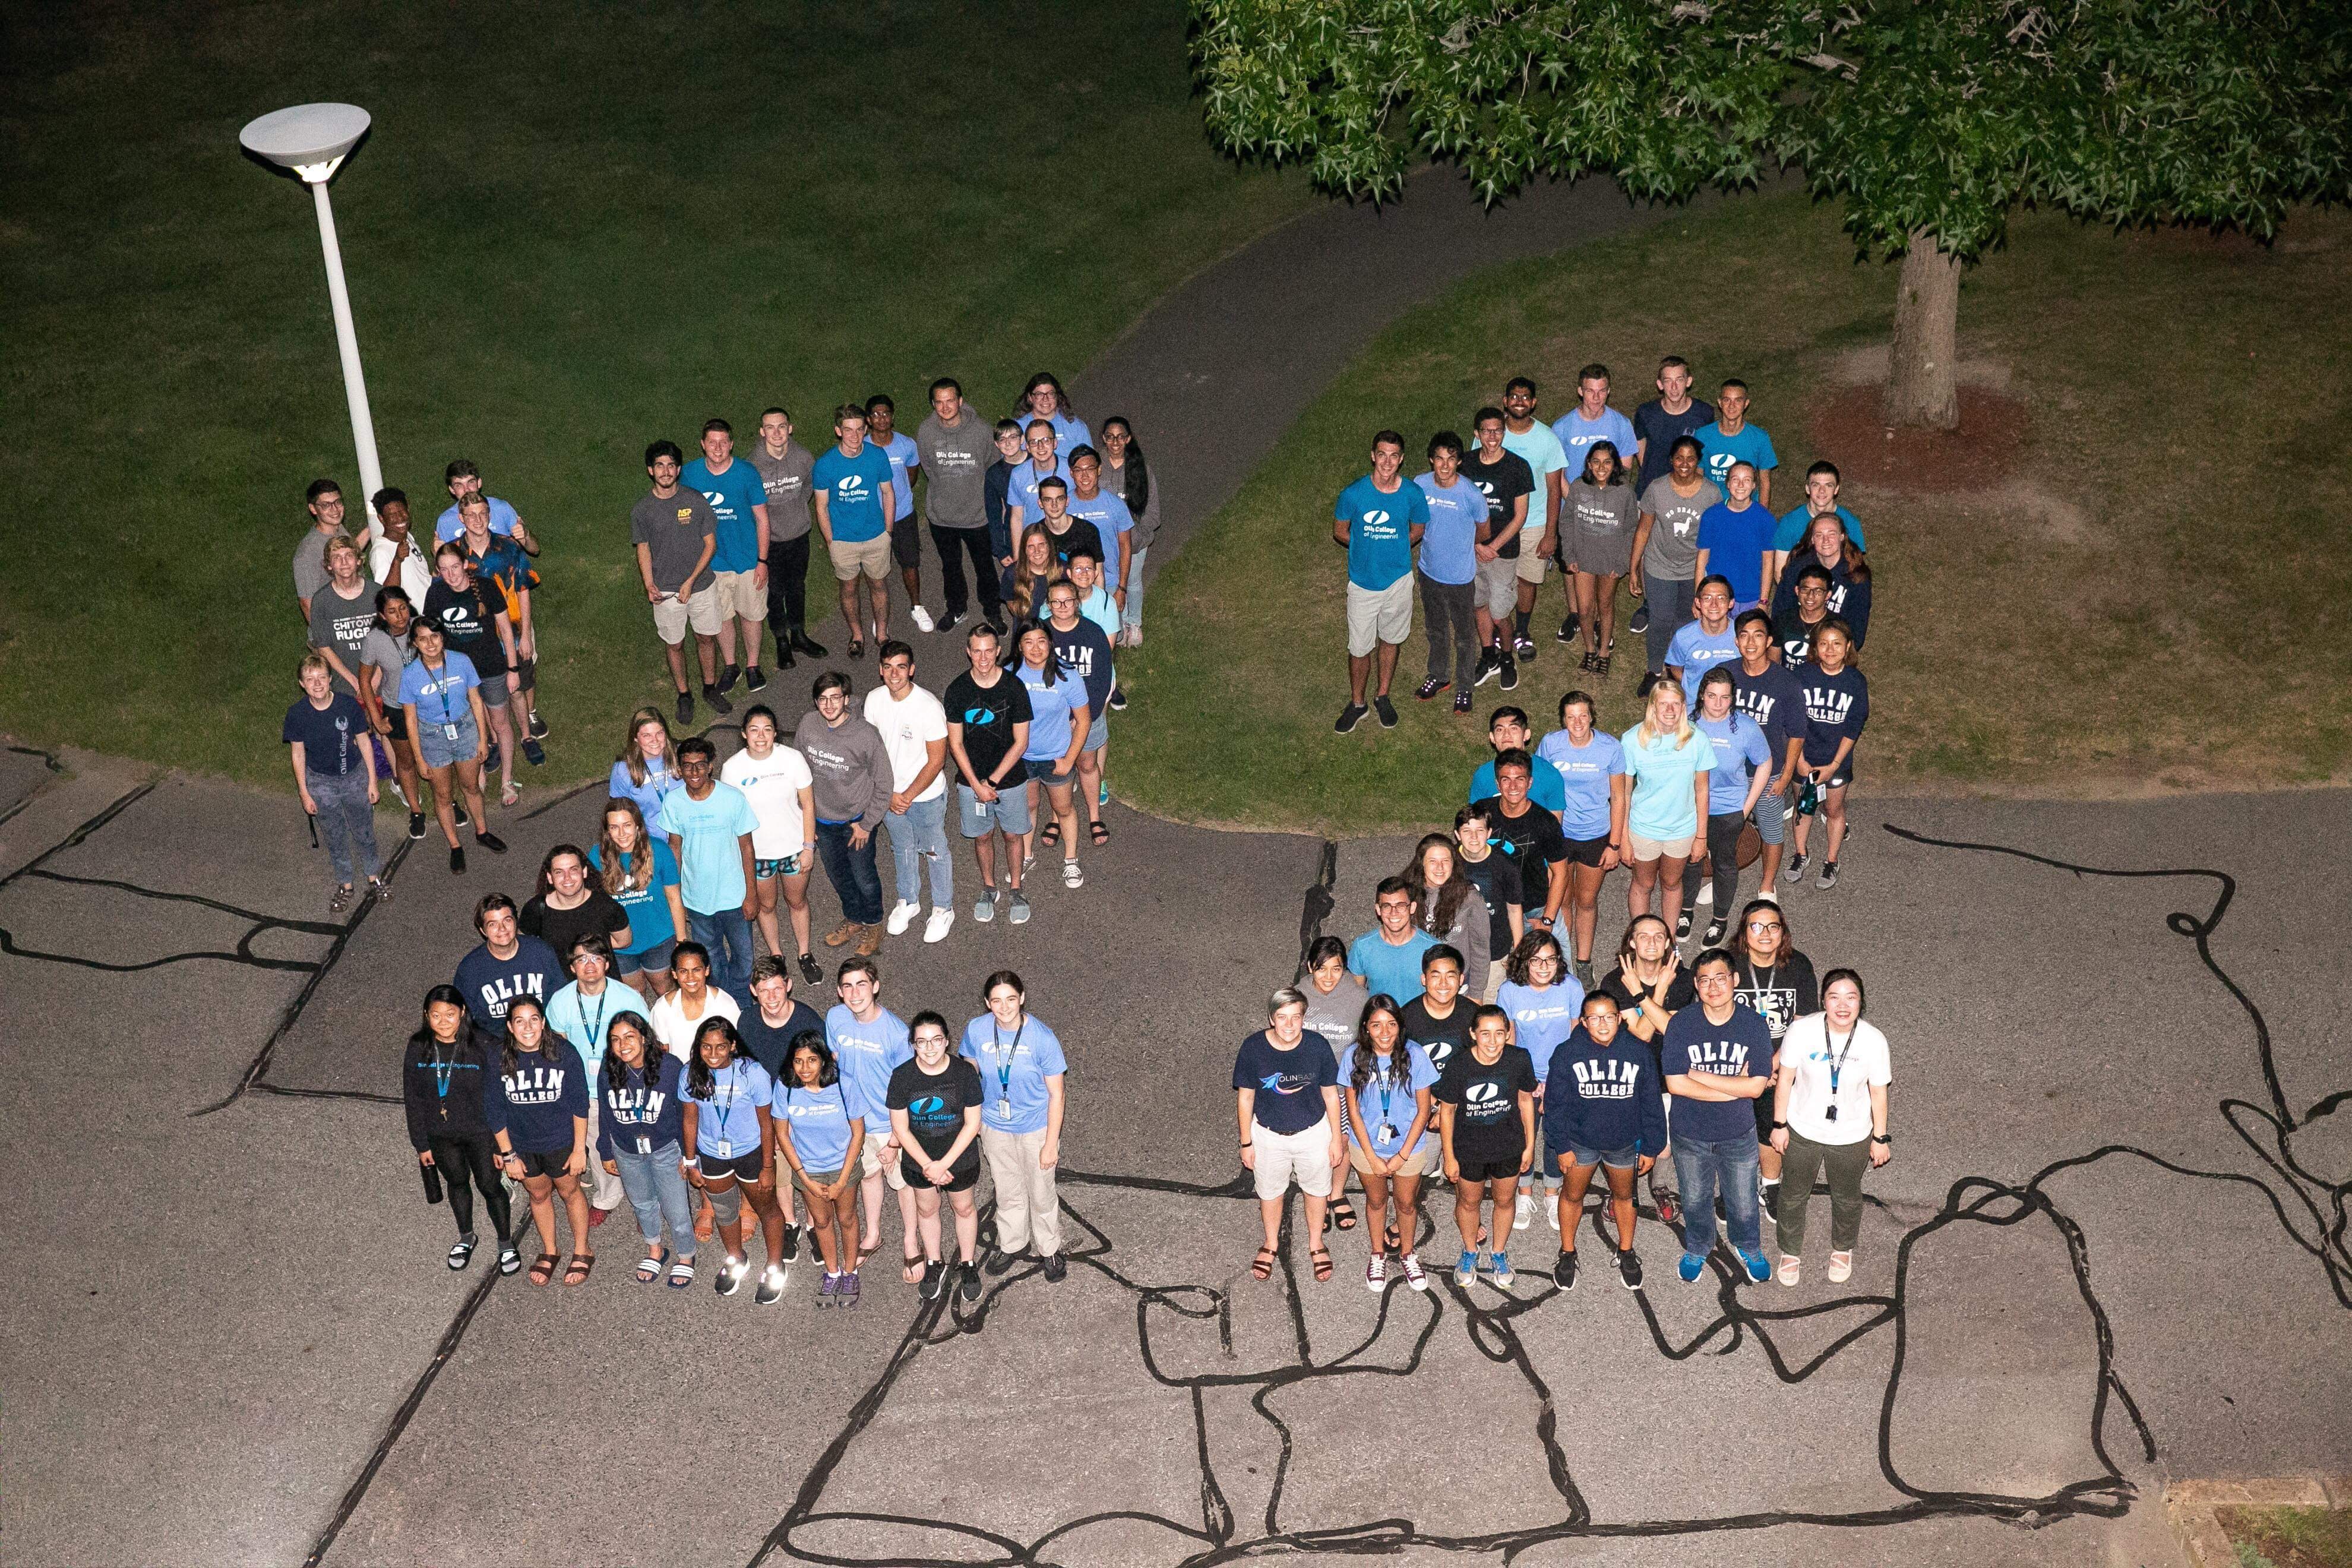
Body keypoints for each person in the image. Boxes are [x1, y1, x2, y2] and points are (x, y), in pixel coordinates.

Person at [1769, 969, 1891, 1285]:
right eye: (1834, 997)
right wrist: (1779, 1124)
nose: (1842, 1005)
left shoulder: (1873, 1040)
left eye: (1851, 998)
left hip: (1852, 1134)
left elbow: (1879, 1090)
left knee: (1847, 1195)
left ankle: (1843, 1248)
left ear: (1861, 1002)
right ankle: (1790, 1251)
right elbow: (1785, 1078)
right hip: (1802, 1128)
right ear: (1823, 1000)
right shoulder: (1802, 1030)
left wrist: (1880, 1137)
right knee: (1793, 1193)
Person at [1662, 949, 1776, 1285]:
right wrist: (1734, 1087)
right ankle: (1698, 1245)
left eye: (1720, 978)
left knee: (1742, 1202)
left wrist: (1699, 1074)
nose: (1713, 987)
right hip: (1689, 1132)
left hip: (1737, 1131)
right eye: (1705, 980)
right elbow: (1675, 1084)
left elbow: (1756, 1087)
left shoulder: (1753, 1024)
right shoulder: (1682, 1023)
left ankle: (1749, 1246)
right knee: (1695, 1198)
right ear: (1696, 986)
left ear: (1735, 980)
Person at [1539, 991, 1664, 1291]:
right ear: (1583, 1022)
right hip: (1580, 1141)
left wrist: (1651, 1146)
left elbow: (1651, 1101)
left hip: (1623, 1141)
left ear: (1620, 1018)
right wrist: (1561, 1145)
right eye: (1594, 1018)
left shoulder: (1639, 1052)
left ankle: (1626, 1251)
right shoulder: (1567, 1053)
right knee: (1572, 1195)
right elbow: (1554, 1104)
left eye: (1609, 1016)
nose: (1603, 1023)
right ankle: (1567, 1252)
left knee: (1625, 1196)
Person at [403, 986, 519, 1275]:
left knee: (490, 1186)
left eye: (450, 1015)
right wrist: (421, 1144)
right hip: (440, 1135)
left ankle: (506, 1243)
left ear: (463, 1013)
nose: (443, 1022)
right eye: (436, 1015)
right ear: (426, 1016)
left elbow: (497, 1096)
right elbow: (413, 1097)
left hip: (481, 1134)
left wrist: (498, 1146)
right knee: (457, 1183)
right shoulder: (418, 1046)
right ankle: (467, 1237)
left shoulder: (483, 1044)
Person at [962, 971, 1068, 1281]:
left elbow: (1057, 1094)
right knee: (1007, 1190)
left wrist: (1051, 1143)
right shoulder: (977, 1030)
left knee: (1041, 1193)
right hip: (994, 1127)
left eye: (1011, 999)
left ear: (1021, 998)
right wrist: (976, 1114)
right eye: (996, 1001)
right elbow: (969, 1062)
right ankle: (1012, 1244)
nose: (1004, 1007)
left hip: (1035, 1128)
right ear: (987, 1003)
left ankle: (1050, 1249)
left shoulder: (1042, 1038)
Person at [1235, 987, 1346, 1284]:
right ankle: (1271, 1243)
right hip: (1268, 1136)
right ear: (1271, 1018)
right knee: (1271, 1193)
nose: (1289, 1024)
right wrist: (1246, 1142)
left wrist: (1336, 1138)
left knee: (1317, 1189)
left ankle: (1316, 1244)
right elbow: (1245, 1098)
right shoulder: (1253, 1048)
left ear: (1303, 1019)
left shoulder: (1317, 1046)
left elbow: (1331, 1095)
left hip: (1313, 1133)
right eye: (1282, 1017)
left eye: (1295, 1017)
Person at [485, 998, 595, 1288]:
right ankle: (550, 1250)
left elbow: (579, 1103)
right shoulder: (498, 1057)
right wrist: (508, 1155)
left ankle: (583, 1249)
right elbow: (494, 1110)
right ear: (509, 1026)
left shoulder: (564, 1053)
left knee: (570, 1192)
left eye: (534, 1019)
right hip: (523, 1145)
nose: (528, 1027)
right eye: (519, 1021)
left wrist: (578, 1148)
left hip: (560, 1141)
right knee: (538, 1195)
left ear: (543, 1022)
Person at [680, 1017, 791, 1304]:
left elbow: (766, 1123)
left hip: (751, 1153)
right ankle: (737, 1258)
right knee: (725, 1211)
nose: (713, 1054)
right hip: (712, 1154)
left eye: (720, 1047)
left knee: (767, 1209)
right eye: (706, 1047)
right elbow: (690, 1119)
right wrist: (691, 1162)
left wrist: (768, 1166)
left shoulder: (752, 1073)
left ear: (732, 1046)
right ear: (698, 1048)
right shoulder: (690, 1074)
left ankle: (775, 1267)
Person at [1595, 914, 1696, 1221]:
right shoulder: (1615, 981)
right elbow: (1640, 1035)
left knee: (1662, 1145)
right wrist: (1657, 995)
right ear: (1631, 942)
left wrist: (1646, 993)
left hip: (1668, 1070)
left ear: (1668, 943)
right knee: (1621, 1136)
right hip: (1626, 1068)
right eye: (1644, 936)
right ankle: (1620, 1189)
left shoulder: (1681, 978)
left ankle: (1661, 1186)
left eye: (1658, 936)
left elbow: (1669, 1029)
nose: (1651, 942)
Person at [826, 956, 915, 1289]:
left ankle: (910, 1241)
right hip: (856, 1122)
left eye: (862, 984)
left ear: (875, 987)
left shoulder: (895, 1032)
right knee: (869, 1176)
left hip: (889, 1122)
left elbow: (907, 1087)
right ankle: (873, 1234)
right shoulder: (835, 1018)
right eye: (847, 986)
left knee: (903, 1183)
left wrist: (895, 1140)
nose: (855, 993)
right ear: (839, 992)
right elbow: (835, 1065)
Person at [545, 931, 646, 1225]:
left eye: (596, 958)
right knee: (595, 1141)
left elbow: (646, 1042)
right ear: (572, 966)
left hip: (624, 1085)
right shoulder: (560, 1002)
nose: (589, 965)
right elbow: (557, 1049)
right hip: (584, 1090)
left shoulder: (628, 998)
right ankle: (607, 1197)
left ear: (606, 963)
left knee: (633, 1141)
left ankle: (645, 1200)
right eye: (581, 959)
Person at [1332, 430, 1428, 734]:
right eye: (1382, 454)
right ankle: (1358, 704)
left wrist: (1398, 548)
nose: (1388, 462)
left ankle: (1382, 695)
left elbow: (1418, 529)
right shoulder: (1354, 494)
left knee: (1390, 639)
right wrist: (1364, 549)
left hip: (1398, 582)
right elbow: (1340, 531)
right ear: (1374, 456)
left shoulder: (1412, 494)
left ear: (1401, 460)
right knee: (1359, 648)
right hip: (1362, 584)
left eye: (1394, 456)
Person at [1436, 1003, 1538, 1288]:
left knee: (1505, 1201)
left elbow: (1526, 1102)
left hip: (1508, 1146)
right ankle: (1470, 1251)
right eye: (1485, 1034)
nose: (1493, 1042)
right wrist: (1450, 1156)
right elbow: (1447, 1111)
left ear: (1508, 1033)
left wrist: (1529, 1146)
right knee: (1469, 1202)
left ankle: (1499, 1252)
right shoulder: (1458, 1064)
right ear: (1473, 1034)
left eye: (1499, 1033)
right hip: (1469, 1149)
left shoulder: (1519, 1059)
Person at [1338, 995, 1436, 1291]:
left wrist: (1402, 1155)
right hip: (1367, 1146)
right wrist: (1371, 1154)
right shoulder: (1354, 1056)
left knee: (1406, 1204)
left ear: (1400, 1026)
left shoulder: (1415, 1055)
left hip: (1409, 1146)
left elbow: (1424, 1109)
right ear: (1366, 1027)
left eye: (1391, 1024)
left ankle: (1407, 1254)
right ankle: (1377, 1254)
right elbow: (1352, 1109)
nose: (1384, 1033)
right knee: (1377, 1201)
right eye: (1377, 1025)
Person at [887, 1011, 985, 1301]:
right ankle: (935, 1262)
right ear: (913, 1045)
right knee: (927, 1210)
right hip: (921, 1161)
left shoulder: (964, 1074)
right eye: (922, 1042)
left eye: (936, 1040)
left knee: (964, 1208)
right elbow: (901, 1129)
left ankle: (968, 1263)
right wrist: (929, 1165)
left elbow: (973, 1123)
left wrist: (944, 1164)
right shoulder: (902, 1077)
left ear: (946, 1041)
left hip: (959, 1158)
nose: (930, 1048)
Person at [795, 670, 893, 956]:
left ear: (846, 699)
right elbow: (798, 772)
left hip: (856, 824)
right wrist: (805, 819)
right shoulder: (808, 725)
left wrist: (867, 823)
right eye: (822, 699)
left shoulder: (865, 735)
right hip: (822, 822)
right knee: (838, 876)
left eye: (835, 698)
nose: (829, 705)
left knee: (863, 875)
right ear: (816, 702)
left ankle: (874, 923)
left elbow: (885, 782)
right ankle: (853, 919)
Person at [1730, 900, 1818, 1216]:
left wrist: (1774, 1063)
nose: (1764, 933)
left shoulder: (1798, 966)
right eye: (1756, 926)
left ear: (1783, 932)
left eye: (1773, 926)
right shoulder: (1730, 965)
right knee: (1732, 1128)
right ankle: (1734, 1188)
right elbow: (1711, 1016)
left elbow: (1804, 1021)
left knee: (1771, 1118)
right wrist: (1741, 1069)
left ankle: (1770, 1183)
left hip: (1783, 1061)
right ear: (1744, 931)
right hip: (1735, 1062)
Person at [862, 642, 955, 943]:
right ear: (880, 670)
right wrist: (887, 793)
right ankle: (909, 901)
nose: (894, 673)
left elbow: (937, 759)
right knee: (901, 848)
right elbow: (870, 751)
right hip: (889, 795)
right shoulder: (874, 700)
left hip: (925, 796)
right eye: (888, 667)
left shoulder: (928, 706)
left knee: (934, 850)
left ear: (912, 670)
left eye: (901, 667)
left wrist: (908, 795)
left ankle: (943, 908)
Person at [595, 1012, 696, 1288]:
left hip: (665, 1149)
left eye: (629, 1037)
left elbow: (685, 1114)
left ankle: (686, 1255)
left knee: (676, 1209)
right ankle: (655, 1249)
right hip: (626, 1149)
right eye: (615, 1040)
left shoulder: (671, 1067)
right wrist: (605, 1150)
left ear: (643, 1037)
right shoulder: (608, 1069)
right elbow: (605, 1111)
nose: (622, 1045)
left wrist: (689, 1157)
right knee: (642, 1203)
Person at [632, 439, 729, 726]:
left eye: (671, 465)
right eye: (660, 466)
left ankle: (709, 688)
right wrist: (649, 584)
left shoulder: (695, 501)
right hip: (665, 592)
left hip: (701, 587)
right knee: (674, 644)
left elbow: (710, 545)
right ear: (651, 470)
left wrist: (690, 581)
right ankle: (684, 695)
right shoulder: (643, 510)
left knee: (706, 638)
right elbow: (643, 548)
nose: (666, 471)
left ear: (679, 469)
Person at [397, 617, 504, 872]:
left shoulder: (461, 661)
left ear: (443, 637)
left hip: (465, 729)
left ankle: (482, 832)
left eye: (435, 636)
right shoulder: (411, 675)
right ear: (415, 643)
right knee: (443, 795)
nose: (430, 643)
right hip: (433, 738)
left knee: (471, 787)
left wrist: (483, 738)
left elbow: (476, 701)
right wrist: (419, 758)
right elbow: (410, 720)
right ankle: (455, 845)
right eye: (422, 639)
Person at [1534, 692, 1626, 985]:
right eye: (1571, 716)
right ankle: (1562, 960)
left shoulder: (1610, 748)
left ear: (1592, 716)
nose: (1577, 722)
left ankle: (1584, 962)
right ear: (1563, 719)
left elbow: (1620, 798)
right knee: (1560, 900)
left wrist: (1615, 843)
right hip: (1557, 834)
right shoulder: (1551, 744)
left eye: (1583, 715)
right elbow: (1540, 787)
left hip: (1595, 835)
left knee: (1586, 901)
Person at [721, 705, 820, 979]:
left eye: (767, 730)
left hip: (794, 849)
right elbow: (732, 816)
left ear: (776, 733)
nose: (761, 736)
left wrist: (808, 846)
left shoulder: (793, 759)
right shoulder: (732, 768)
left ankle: (804, 953)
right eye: (754, 730)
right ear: (744, 734)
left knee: (797, 901)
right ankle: (777, 955)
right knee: (767, 906)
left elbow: (808, 804)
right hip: (758, 855)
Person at [944, 624, 1033, 926]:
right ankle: (989, 888)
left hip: (1009, 780)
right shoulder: (957, 690)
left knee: (1013, 835)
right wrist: (976, 785)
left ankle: (1017, 889)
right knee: (983, 837)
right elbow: (955, 744)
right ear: (969, 652)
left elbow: (1022, 742)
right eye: (977, 651)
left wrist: (992, 782)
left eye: (989, 651)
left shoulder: (1014, 687)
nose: (983, 658)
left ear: (998, 651)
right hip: (971, 783)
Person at [659, 736, 760, 1000]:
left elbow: (747, 848)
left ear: (711, 766)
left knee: (744, 955)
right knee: (711, 956)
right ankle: (720, 1001)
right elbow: (675, 849)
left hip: (734, 897)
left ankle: (741, 1001)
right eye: (688, 766)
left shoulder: (732, 798)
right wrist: (675, 895)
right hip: (696, 899)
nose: (694, 773)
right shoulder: (673, 802)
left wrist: (752, 894)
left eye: (700, 765)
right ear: (679, 769)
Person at [422, 540, 522, 806]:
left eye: (456, 567)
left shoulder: (487, 588)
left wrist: (513, 668)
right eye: (444, 570)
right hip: (457, 675)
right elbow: (428, 634)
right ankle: (478, 775)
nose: (452, 574)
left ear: (466, 565)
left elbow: (505, 627)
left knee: (500, 723)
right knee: (470, 726)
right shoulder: (436, 595)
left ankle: (508, 781)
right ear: (438, 571)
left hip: (491, 668)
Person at [1497, 929, 1582, 1231]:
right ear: (1524, 962)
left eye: (1551, 960)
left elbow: (1576, 1037)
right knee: (1524, 1135)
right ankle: (1524, 1193)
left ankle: (1551, 1192)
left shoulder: (1571, 987)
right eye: (1537, 961)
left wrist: (1557, 1082)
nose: (1545, 967)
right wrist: (1528, 1082)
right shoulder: (1509, 991)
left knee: (1556, 1134)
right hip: (1525, 1074)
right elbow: (1510, 1040)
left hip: (1562, 1074)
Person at [451, 492, 546, 761]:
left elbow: (524, 588)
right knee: (482, 690)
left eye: (483, 514)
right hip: (475, 637)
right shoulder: (454, 553)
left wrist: (526, 634)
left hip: (512, 633)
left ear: (490, 515)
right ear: (461, 518)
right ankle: (493, 739)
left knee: (517, 686)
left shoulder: (509, 547)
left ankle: (526, 735)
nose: (478, 520)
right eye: (471, 515)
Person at [283, 653, 382, 911]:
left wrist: (372, 781)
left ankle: (374, 877)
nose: (317, 684)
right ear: (302, 684)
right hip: (321, 783)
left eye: (322, 677)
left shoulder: (348, 706)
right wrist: (304, 793)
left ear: (330, 680)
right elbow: (297, 753)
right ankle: (346, 884)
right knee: (335, 835)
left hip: (354, 777)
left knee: (364, 830)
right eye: (310, 679)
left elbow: (364, 742)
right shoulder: (297, 714)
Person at [776, 1030, 868, 1306]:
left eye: (812, 1060)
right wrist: (803, 1177)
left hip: (844, 1167)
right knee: (823, 1222)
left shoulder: (844, 1086)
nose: (805, 1068)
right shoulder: (786, 1087)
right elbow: (782, 1134)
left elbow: (858, 1133)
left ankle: (851, 1272)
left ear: (824, 1061)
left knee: (847, 1219)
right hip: (809, 1172)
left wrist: (841, 1181)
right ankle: (832, 1272)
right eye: (798, 1061)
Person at [681, 417, 772, 696]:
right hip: (712, 563)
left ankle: (753, 666)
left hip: (747, 560)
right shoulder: (690, 474)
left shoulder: (747, 473)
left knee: (752, 615)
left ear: (731, 444)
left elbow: (762, 519)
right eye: (712, 442)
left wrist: (762, 561)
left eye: (723, 442)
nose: (718, 448)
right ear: (703, 445)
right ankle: (731, 665)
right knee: (722, 616)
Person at [1618, 676, 1715, 931]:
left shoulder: (1697, 739)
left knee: (1672, 883)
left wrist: (1701, 837)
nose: (1670, 710)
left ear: (1684, 707)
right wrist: (1623, 837)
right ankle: (1640, 936)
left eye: (1676, 703)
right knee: (1643, 884)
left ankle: (1669, 942)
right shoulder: (1632, 740)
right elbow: (1624, 793)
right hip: (1643, 828)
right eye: (1664, 704)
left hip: (1682, 829)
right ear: (1653, 707)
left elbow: (1702, 789)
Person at [1687, 669, 1774, 943]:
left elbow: (1765, 763)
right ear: (1702, 695)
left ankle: (1720, 919)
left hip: (1728, 808)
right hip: (1689, 805)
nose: (1718, 703)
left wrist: (1746, 808)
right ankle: (1685, 911)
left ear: (1732, 698)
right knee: (1691, 859)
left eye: (1725, 697)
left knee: (1724, 863)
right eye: (1712, 696)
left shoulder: (1746, 727)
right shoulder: (1686, 721)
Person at [1784, 617, 1869, 889]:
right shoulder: (1802, 675)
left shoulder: (1855, 681)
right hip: (1804, 757)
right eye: (1823, 644)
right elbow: (1791, 720)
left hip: (1836, 761)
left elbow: (1854, 728)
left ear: (1847, 648)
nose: (1830, 650)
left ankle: (1832, 860)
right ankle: (1801, 854)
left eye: (1837, 644)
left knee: (1833, 808)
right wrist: (1799, 761)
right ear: (1815, 648)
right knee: (1804, 806)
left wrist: (1834, 765)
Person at [915, 379, 1004, 632]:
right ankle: (957, 608)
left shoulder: (982, 432)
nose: (945, 407)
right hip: (941, 517)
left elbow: (992, 467)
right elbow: (929, 467)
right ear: (933, 404)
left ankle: (993, 611)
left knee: (985, 566)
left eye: (950, 400)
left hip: (977, 516)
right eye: (939, 402)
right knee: (951, 567)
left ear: (961, 401)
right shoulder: (926, 431)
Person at [1728, 611, 1807, 893]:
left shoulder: (1786, 683)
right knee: (1724, 831)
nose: (1751, 642)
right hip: (1730, 774)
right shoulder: (1726, 675)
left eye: (1758, 635)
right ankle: (1720, 879)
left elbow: (1797, 735)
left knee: (1772, 832)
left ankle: (1767, 885)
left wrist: (1786, 776)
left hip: (1770, 773)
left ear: (1770, 641)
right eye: (1744, 635)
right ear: (1736, 641)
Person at [811, 403, 897, 657]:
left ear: (866, 429)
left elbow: (888, 493)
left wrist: (888, 532)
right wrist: (831, 541)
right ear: (838, 431)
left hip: (876, 536)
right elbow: (821, 507)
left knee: (879, 585)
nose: (855, 435)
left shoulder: (876, 456)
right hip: (843, 541)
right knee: (848, 589)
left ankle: (882, 633)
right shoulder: (825, 465)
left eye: (860, 429)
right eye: (848, 430)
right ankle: (857, 634)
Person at [1413, 431, 1488, 713]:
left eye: (1451, 460)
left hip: (1460, 578)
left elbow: (1484, 529)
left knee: (1465, 636)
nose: (1445, 466)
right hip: (1429, 572)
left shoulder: (1470, 494)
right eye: (1439, 459)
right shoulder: (1420, 485)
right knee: (1436, 629)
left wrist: (1463, 544)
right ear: (1432, 460)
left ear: (1459, 462)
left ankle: (1465, 688)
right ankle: (1439, 675)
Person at [1630, 436, 1719, 675]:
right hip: (1659, 566)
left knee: (1685, 620)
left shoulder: (1711, 494)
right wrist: (1633, 569)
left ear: (1698, 462)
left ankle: (1678, 668)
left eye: (1691, 459)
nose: (1684, 463)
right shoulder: (1657, 489)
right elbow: (1643, 530)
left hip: (1694, 568)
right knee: (1660, 620)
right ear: (1671, 460)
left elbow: (1714, 537)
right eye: (1679, 457)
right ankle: (1653, 671)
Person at [750, 406, 827, 669]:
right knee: (774, 591)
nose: (776, 433)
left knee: (797, 587)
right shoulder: (753, 465)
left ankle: (799, 635)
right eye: (770, 428)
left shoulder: (804, 458)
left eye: (781, 426)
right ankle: (782, 641)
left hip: (798, 535)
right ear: (762, 432)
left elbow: (810, 484)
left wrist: (797, 504)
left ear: (790, 428)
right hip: (769, 540)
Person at [1012, 624, 1089, 891]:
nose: (1035, 648)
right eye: (1029, 642)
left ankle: (1071, 860)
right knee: (1029, 807)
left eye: (1041, 641)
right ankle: (1025, 857)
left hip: (1056, 758)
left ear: (1050, 644)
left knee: (1064, 809)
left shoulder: (1067, 675)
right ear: (1019, 646)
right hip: (1021, 759)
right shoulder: (1010, 674)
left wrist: (1069, 760)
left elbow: (1084, 721)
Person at [1463, 407, 1535, 688]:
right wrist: (1476, 543)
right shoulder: (1466, 464)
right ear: (1477, 434)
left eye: (1497, 430)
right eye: (1486, 431)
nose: (1492, 436)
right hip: (1472, 551)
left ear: (1503, 432)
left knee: (1500, 614)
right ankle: (1488, 656)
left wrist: (1492, 545)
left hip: (1503, 553)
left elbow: (1520, 516)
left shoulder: (1518, 466)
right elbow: (1460, 508)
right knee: (1478, 604)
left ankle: (1507, 658)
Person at [1498, 378, 1569, 657]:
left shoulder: (1547, 439)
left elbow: (1555, 490)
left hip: (1534, 523)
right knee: (1499, 580)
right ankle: (1498, 628)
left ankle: (1522, 631)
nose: (1519, 401)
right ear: (1505, 401)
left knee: (1527, 580)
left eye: (1525, 397)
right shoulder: (1491, 433)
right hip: (1498, 523)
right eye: (1514, 396)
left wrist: (1551, 534)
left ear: (1534, 402)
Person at [591, 798, 689, 1000]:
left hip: (659, 940)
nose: (622, 833)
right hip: (620, 946)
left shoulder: (660, 850)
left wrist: (681, 941)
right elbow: (591, 904)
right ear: (607, 830)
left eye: (627, 825)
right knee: (635, 997)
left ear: (638, 825)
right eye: (614, 827)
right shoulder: (596, 856)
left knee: (667, 995)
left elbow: (674, 899)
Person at [1042, 581, 1115, 838]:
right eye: (1056, 602)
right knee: (1058, 768)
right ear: (1048, 605)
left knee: (1087, 764)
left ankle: (1095, 817)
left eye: (1068, 601)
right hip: (1054, 719)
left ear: (1077, 603)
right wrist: (1062, 718)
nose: (1063, 607)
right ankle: (1055, 818)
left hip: (1089, 714)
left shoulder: (1093, 633)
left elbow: (1102, 679)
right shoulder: (1042, 636)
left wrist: (1082, 717)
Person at [1471, 750, 1570, 937]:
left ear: (1530, 783)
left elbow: (1561, 873)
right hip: (1495, 907)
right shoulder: (1482, 813)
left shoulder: (1546, 822)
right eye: (1506, 779)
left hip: (1535, 909)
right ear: (1497, 784)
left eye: (1520, 779)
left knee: (1558, 964)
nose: (1513, 786)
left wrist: (1547, 920)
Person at [358, 586, 428, 840]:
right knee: (406, 761)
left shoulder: (422, 628)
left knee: (439, 756)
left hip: (427, 704)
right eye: (392, 611)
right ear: (382, 615)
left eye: (403, 608)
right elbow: (365, 680)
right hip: (396, 707)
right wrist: (376, 718)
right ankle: (417, 811)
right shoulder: (375, 640)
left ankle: (450, 801)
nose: (400, 615)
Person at [1563, 441, 1638, 675]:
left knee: (1605, 606)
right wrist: (1569, 554)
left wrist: (1623, 562)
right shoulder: (1578, 487)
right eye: (1596, 462)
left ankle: (1604, 651)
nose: (1601, 467)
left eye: (1607, 462)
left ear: (1615, 464)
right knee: (1584, 609)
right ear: (1589, 464)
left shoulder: (1625, 491)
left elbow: (1630, 529)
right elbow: (1566, 522)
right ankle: (1589, 649)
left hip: (1611, 560)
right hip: (1583, 558)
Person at [454, 892, 567, 1032]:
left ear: (515, 922)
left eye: (507, 920)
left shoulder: (541, 952)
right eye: (493, 924)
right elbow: (466, 1020)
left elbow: (562, 1000)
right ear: (483, 931)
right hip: (496, 1044)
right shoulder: (470, 969)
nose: (502, 929)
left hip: (543, 1036)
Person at [1402, 833, 1492, 1003]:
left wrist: (1477, 994)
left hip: (1457, 987)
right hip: (1417, 986)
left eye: (1446, 861)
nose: (1440, 868)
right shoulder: (1406, 895)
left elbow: (1480, 949)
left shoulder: (1470, 898)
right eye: (1433, 861)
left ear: (1454, 864)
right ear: (1421, 864)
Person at [864, 395, 928, 630]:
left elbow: (911, 476)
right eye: (876, 414)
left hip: (903, 515)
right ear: (869, 419)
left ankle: (917, 607)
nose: (882, 419)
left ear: (892, 417)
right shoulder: (861, 447)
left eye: (886, 414)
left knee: (910, 563)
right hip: (873, 518)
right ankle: (879, 615)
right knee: (875, 569)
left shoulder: (907, 445)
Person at [1773, 511, 1874, 653]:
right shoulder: (1798, 568)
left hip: (1834, 648)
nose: (1825, 541)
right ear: (1812, 539)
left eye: (1832, 534)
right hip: (1798, 641)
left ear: (1842, 537)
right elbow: (1781, 609)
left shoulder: (1856, 574)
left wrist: (1842, 654)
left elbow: (1858, 626)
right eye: (1819, 535)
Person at [520, 843, 631, 971]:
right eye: (559, 872)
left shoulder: (606, 906)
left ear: (584, 872)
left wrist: (586, 951)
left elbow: (623, 941)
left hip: (602, 983)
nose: (567, 878)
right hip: (559, 986)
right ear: (550, 878)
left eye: (573, 870)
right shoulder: (536, 909)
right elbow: (523, 945)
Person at [1096, 416, 1158, 647]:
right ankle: (1117, 623)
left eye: (1121, 437)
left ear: (1128, 438)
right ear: (1104, 438)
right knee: (1111, 583)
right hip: (1106, 541)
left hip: (1134, 541)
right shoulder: (1096, 465)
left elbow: (1153, 510)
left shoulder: (1140, 468)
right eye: (1110, 437)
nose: (1115, 442)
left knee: (1132, 582)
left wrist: (1139, 536)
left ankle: (1135, 623)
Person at [1452, 807, 1523, 1002]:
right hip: (1457, 950)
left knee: (1489, 1007)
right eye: (1467, 831)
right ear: (1458, 835)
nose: (1474, 837)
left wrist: (1517, 951)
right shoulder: (1449, 863)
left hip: (1495, 951)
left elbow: (1515, 909)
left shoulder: (1505, 866)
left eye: (1480, 830)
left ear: (1489, 833)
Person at [305, 532, 381, 702]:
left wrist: (373, 682)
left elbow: (390, 640)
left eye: (349, 556)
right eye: (337, 557)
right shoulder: (321, 600)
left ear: (359, 560)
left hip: (382, 683)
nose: (344, 562)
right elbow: (324, 648)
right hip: (345, 687)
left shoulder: (377, 593)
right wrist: (356, 684)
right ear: (329, 565)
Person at [1695, 461, 1779, 611]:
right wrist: (1699, 596)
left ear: (1754, 485)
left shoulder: (1765, 519)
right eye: (1735, 479)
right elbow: (1702, 559)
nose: (1741, 485)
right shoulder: (1711, 516)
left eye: (1747, 480)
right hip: (1717, 596)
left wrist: (1764, 600)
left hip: (1751, 597)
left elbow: (1768, 561)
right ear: (1727, 484)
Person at [1346, 877, 1439, 1004]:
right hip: (1380, 1022)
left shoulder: (1434, 948)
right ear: (1378, 910)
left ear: (1412, 908)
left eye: (1400, 906)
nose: (1393, 913)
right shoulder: (1362, 947)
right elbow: (1354, 999)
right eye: (1387, 906)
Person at [646, 940, 741, 1064]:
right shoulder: (662, 1008)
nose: (690, 977)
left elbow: (737, 1047)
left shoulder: (726, 1005)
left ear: (706, 970)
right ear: (674, 974)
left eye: (696, 970)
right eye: (684, 971)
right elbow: (661, 1052)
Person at [1632, 355, 1715, 493]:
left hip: (1689, 492)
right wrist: (1650, 472)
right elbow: (1640, 445)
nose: (1674, 387)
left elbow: (1704, 453)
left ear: (1688, 381)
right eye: (1668, 381)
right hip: (1650, 491)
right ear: (1660, 384)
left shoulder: (1704, 413)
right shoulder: (1646, 412)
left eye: (1679, 380)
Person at [1398, 944, 1474, 1086]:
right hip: (1420, 1100)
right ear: (1424, 979)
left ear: (1461, 979)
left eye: (1450, 976)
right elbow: (1401, 1071)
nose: (1443, 984)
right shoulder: (1406, 1018)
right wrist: (1435, 1105)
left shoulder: (1474, 1015)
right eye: (1436, 976)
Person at [1664, 567, 1742, 705]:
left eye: (1721, 598)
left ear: (1731, 603)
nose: (1714, 604)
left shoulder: (1742, 635)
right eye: (1707, 598)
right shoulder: (1683, 637)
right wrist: (1693, 689)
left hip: (1733, 705)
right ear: (1698, 603)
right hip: (1694, 706)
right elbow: (1675, 668)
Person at [1694, 379, 1778, 505]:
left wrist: (1762, 517)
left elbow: (1765, 483)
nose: (1732, 406)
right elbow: (1697, 477)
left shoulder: (1760, 438)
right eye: (1727, 400)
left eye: (1738, 400)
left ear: (1746, 404)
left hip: (1746, 507)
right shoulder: (1702, 435)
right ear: (1720, 403)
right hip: (1712, 507)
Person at [1466, 707, 1566, 811]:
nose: (1506, 735)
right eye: (1500, 730)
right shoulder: (1483, 775)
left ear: (1526, 735)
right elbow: (1475, 822)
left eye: (1513, 729)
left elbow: (1554, 825)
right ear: (1492, 737)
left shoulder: (1549, 775)